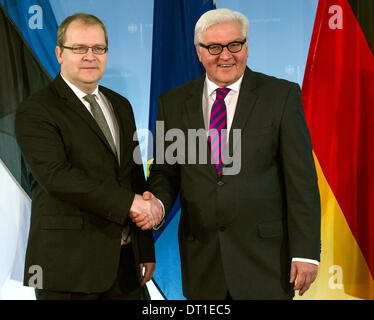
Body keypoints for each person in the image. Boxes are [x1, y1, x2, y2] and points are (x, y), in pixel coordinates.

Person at [130, 8, 321, 299]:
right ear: (198, 52)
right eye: (214, 47)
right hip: (203, 260)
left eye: (235, 45)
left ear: (246, 46)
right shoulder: (172, 102)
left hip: (266, 261)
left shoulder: (281, 96)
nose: (226, 56)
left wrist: (306, 252)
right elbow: (167, 172)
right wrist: (156, 205)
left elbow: (301, 181)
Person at [15, 13, 162, 300]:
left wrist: (144, 248)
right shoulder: (36, 110)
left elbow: (134, 177)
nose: (90, 56)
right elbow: (57, 177)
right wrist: (129, 204)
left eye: (98, 48)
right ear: (59, 53)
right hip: (69, 270)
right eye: (79, 48)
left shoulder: (120, 105)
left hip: (126, 268)